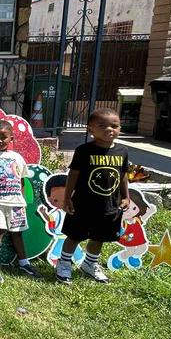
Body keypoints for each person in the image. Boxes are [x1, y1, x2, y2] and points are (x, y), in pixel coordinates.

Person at [56, 108, 130, 285]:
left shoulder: (122, 151)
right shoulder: (84, 150)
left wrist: (126, 196)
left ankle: (90, 264)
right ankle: (64, 264)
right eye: (102, 125)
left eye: (114, 126)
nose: (109, 129)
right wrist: (67, 198)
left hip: (109, 205)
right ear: (90, 129)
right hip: (83, 204)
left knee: (99, 236)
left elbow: (123, 175)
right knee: (74, 235)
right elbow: (73, 174)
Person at [0, 120, 42, 282]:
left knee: (17, 232)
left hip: (16, 203)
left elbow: (22, 180)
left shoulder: (17, 157)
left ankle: (24, 262)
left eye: (3, 137)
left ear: (11, 138)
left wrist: (23, 199)